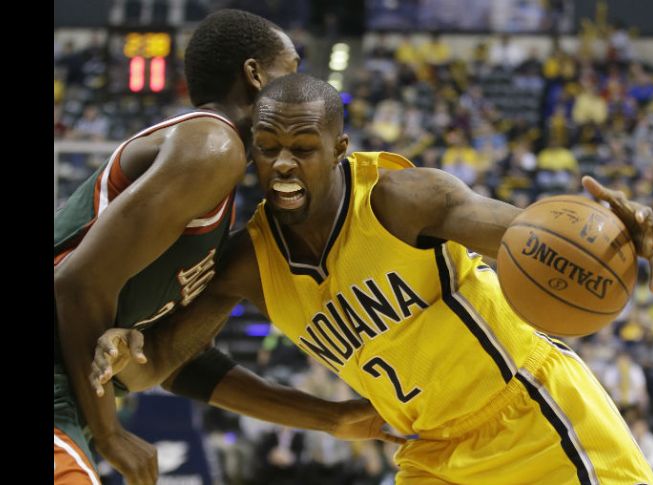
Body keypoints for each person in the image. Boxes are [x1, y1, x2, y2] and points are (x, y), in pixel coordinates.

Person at [92, 73, 653, 484]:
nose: (284, 164)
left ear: (340, 148)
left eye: (303, 147)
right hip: (428, 452)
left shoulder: (401, 200)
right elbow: (161, 366)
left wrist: (610, 233)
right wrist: (126, 351)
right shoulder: (249, 261)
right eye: (268, 149)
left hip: (531, 411)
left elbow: (526, 237)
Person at [54, 13, 397, 485]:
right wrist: (110, 432)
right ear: (255, 75)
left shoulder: (219, 198)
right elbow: (74, 283)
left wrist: (330, 418)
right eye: (291, 68)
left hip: (73, 396)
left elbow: (176, 363)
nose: (302, 83)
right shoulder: (212, 146)